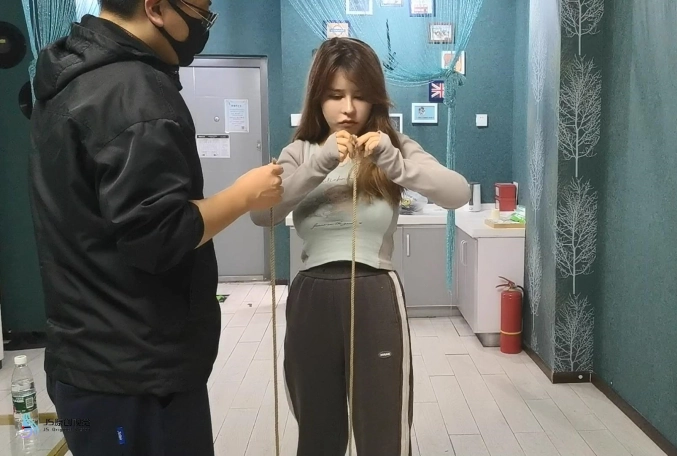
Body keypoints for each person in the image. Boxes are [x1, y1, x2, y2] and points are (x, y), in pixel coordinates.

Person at [27, 0, 284, 454]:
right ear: (156, 8)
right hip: (135, 377)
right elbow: (158, 237)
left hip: (85, 359)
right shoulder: (132, 91)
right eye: (202, 11)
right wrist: (244, 195)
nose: (205, 24)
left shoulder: (71, 78)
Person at [250, 37, 471, 456]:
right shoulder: (299, 151)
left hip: (374, 292)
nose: (348, 109)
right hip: (311, 294)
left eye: (360, 96)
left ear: (375, 100)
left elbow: (457, 193)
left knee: (382, 429)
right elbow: (262, 215)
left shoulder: (393, 146)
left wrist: (394, 162)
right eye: (335, 96)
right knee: (317, 430)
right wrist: (318, 163)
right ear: (318, 98)